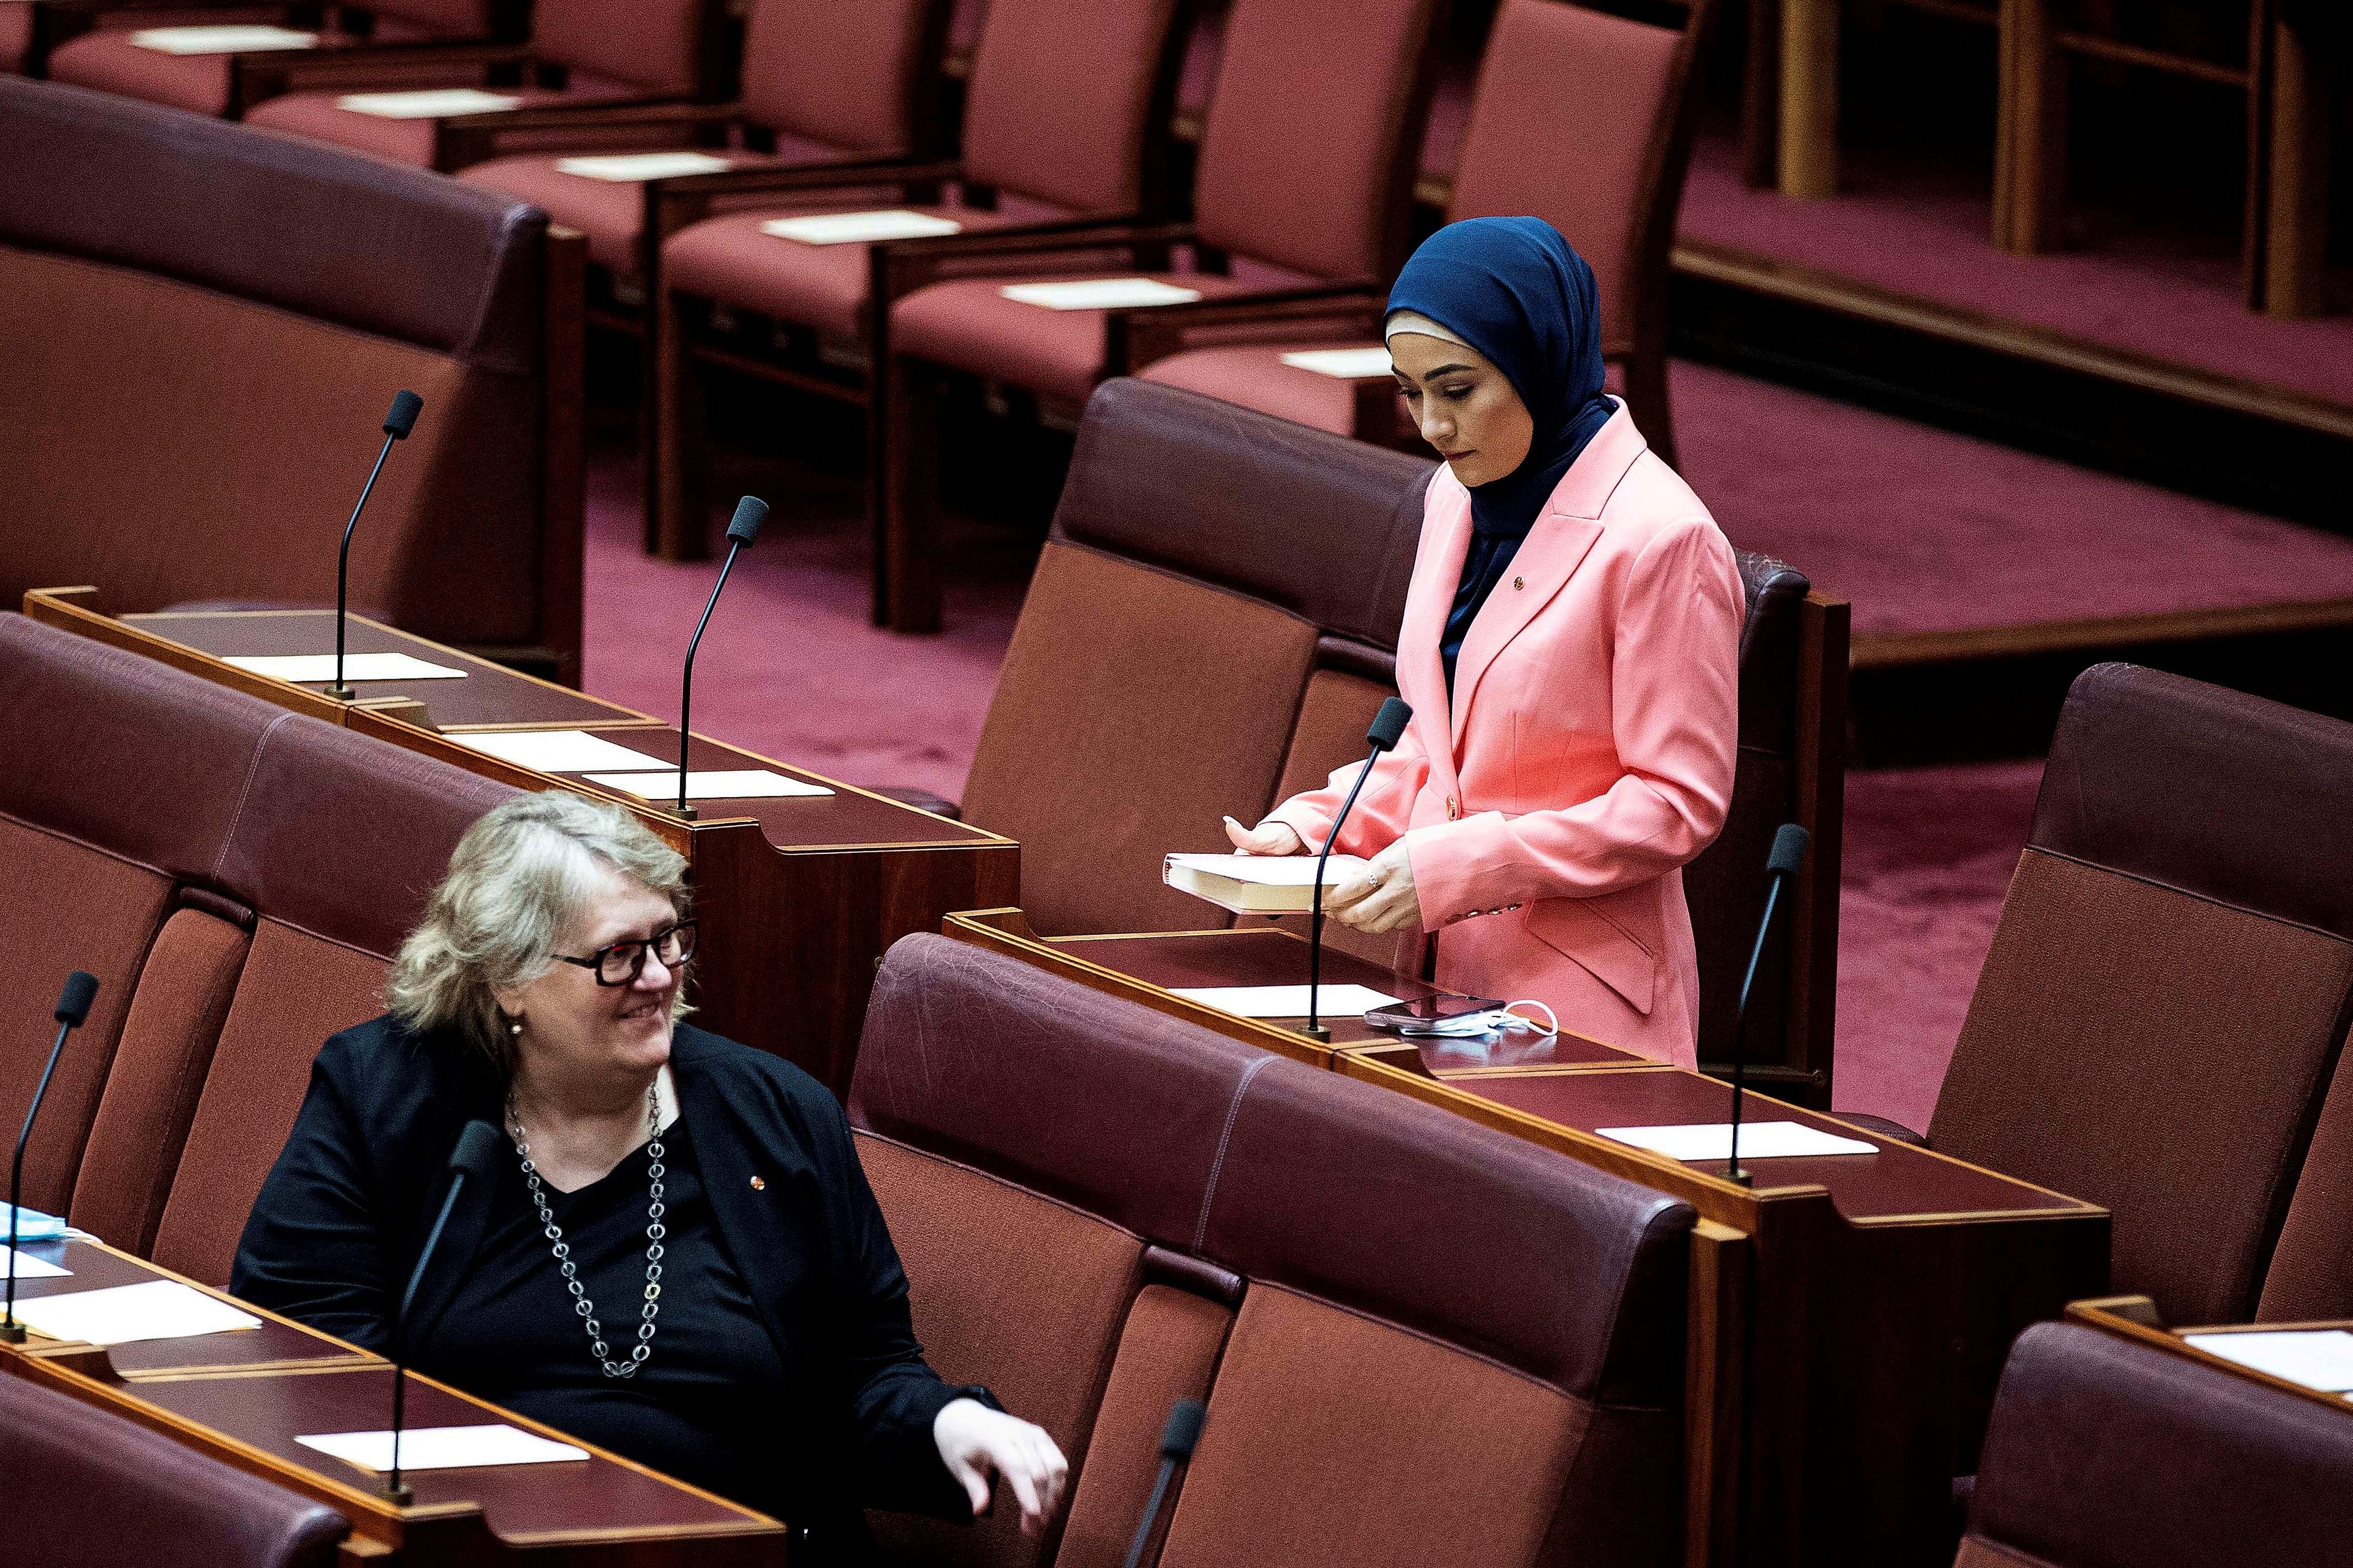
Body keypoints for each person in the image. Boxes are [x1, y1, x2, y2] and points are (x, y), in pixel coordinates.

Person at [232, 791, 1066, 1559]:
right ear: (508, 980)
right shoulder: (388, 1097)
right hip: (467, 1543)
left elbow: (864, 1373)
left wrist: (950, 1423)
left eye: (669, 938)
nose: (662, 977)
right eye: (618, 957)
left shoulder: (775, 1117)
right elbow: (308, 1357)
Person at [1224, 217, 1743, 1067]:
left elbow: (1676, 803)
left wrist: (1470, 865)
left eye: (1457, 390)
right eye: (1409, 390)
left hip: (1581, 1006)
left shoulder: (1662, 539)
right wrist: (1324, 828)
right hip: (1438, 985)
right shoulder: (1454, 499)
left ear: (1540, 359)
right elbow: (1441, 745)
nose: (1431, 425)